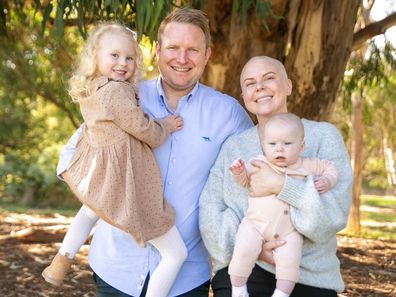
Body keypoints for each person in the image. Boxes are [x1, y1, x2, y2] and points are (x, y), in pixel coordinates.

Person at [55, 8, 253, 297]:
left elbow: (260, 163)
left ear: (207, 55)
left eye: (193, 50)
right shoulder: (125, 94)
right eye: (173, 48)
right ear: (158, 50)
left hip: (186, 279)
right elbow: (71, 155)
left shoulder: (228, 113)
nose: (182, 59)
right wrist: (100, 194)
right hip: (115, 270)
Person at [41, 22, 188, 297]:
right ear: (95, 57)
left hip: (101, 172)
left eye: (129, 57)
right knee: (176, 253)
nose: (123, 63)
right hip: (123, 179)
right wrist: (165, 125)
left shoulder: (93, 89)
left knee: (89, 210)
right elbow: (145, 131)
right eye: (115, 55)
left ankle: (60, 261)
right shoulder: (116, 91)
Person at [199, 56, 352, 297]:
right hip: (244, 270)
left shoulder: (323, 137)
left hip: (309, 274)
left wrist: (281, 184)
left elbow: (332, 216)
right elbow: (210, 211)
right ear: (244, 96)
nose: (259, 87)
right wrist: (253, 247)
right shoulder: (234, 147)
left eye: (269, 78)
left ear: (289, 86)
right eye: (250, 83)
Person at [228, 112, 338, 297]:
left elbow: (331, 168)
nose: (279, 149)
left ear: (301, 146)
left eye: (287, 144)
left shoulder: (308, 164)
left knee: (290, 262)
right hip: (255, 224)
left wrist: (327, 180)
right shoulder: (258, 163)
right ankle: (238, 289)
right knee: (243, 250)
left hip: (290, 230)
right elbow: (244, 181)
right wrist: (239, 172)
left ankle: (281, 293)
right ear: (264, 146)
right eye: (272, 144)